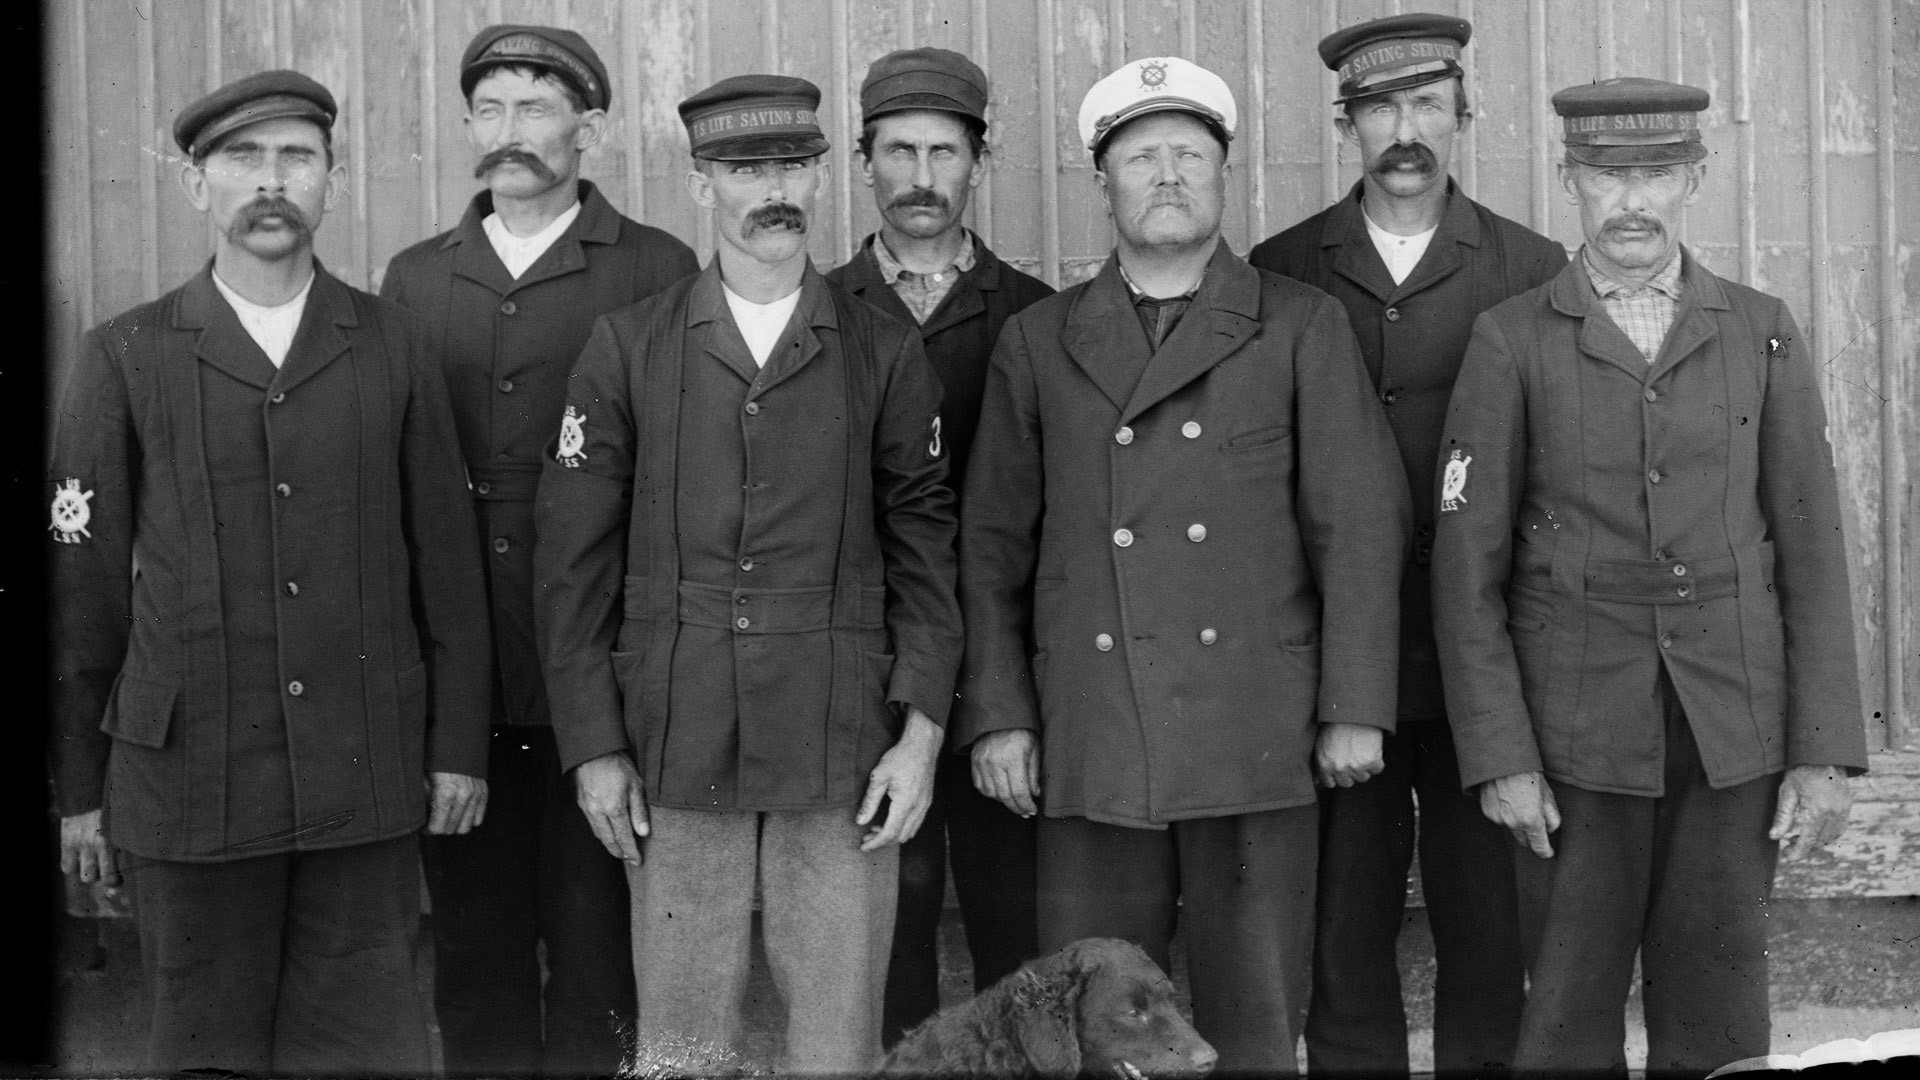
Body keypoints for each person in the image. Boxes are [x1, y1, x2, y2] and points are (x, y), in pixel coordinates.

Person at [956, 56, 1410, 1075]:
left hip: (1256, 726)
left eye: (1189, 156)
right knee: (1096, 1023)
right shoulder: (1041, 340)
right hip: (1095, 731)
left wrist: (1353, 705)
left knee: (1253, 1021)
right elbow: (991, 549)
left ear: (1224, 176)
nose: (1167, 175)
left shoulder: (1300, 324)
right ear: (1103, 183)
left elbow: (1360, 526)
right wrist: (1001, 714)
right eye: (1142, 156)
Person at [48, 69, 490, 1076]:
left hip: (361, 773)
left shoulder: (392, 343)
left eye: (296, 157)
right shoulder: (123, 355)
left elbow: (449, 572)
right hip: (189, 783)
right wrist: (81, 792)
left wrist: (457, 746)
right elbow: (82, 604)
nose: (271, 181)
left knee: (363, 1052)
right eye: (242, 159)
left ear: (332, 179)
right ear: (197, 185)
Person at [1432, 77, 1868, 1077]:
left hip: (1732, 732)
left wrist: (1821, 748)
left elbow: (1811, 547)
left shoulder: (1760, 328)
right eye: (1604, 177)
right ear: (1568, 181)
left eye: (1658, 175)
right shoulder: (1512, 339)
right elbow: (1466, 573)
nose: (1632, 203)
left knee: (1719, 1011)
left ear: (1696, 180)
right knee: (1567, 1014)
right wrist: (1500, 754)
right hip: (1573, 736)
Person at [534, 74, 962, 1074]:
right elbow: (573, 565)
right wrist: (594, 742)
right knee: (683, 1043)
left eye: (791, 168)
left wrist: (923, 738)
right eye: (743, 170)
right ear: (701, 187)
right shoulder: (630, 346)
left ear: (820, 179)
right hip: (680, 743)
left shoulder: (883, 346)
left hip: (843, 744)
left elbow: (927, 552)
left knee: (835, 1043)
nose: (772, 191)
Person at [1246, 14, 1567, 1076]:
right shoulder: (1282, 267)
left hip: (1487, 657)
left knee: (1489, 920)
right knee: (1345, 919)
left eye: (1428, 104)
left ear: (1463, 115)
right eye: (1381, 108)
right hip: (1341, 656)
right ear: (1348, 125)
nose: (1405, 130)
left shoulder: (1530, 266)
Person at [379, 25, 698, 1076]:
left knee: (603, 955)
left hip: (599, 683)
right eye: (490, 110)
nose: (509, 133)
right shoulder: (418, 278)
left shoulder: (655, 266)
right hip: (463, 681)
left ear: (588, 128)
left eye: (535, 108)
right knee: (473, 956)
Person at [824, 46, 1052, 1046]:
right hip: (870, 681)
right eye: (899, 150)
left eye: (944, 152)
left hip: (1005, 683)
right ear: (864, 163)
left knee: (1020, 937)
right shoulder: (815, 313)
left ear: (980, 163)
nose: (921, 176)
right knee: (885, 945)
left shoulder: (1040, 318)